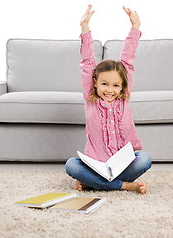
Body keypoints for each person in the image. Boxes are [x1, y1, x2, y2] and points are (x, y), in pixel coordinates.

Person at [65, 4, 151, 195]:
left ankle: (94, 184)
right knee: (71, 166)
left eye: (115, 85)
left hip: (123, 164)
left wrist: (135, 28)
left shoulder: (124, 99)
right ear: (95, 83)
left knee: (145, 159)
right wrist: (84, 28)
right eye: (104, 84)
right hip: (96, 164)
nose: (110, 90)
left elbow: (127, 60)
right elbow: (87, 63)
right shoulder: (91, 99)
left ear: (122, 86)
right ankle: (125, 186)